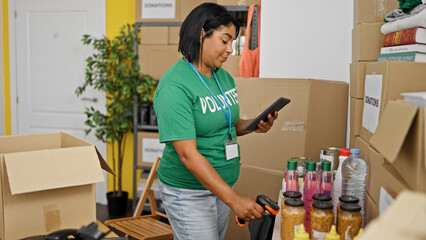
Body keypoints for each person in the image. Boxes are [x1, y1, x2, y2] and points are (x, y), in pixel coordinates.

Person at [153, 3, 278, 240]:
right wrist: (236, 200)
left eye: (232, 42)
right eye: (225, 40)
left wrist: (254, 124)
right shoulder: (175, 87)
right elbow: (187, 155)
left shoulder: (223, 77)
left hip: (221, 187)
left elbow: (227, 125)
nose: (231, 49)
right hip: (189, 192)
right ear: (202, 34)